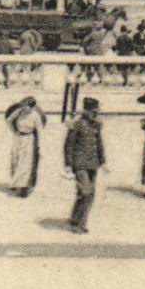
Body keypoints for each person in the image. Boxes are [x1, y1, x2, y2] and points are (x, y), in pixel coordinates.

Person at [63, 97, 106, 234]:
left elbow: (99, 144)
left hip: (93, 164)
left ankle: (75, 219)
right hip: (80, 163)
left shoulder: (96, 125)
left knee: (89, 194)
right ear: (86, 111)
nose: (96, 114)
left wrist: (103, 161)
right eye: (93, 111)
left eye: (97, 111)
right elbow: (69, 145)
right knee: (86, 192)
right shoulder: (77, 124)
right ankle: (80, 224)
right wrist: (68, 164)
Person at [6, 95, 46, 197]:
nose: (23, 108)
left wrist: (40, 146)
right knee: (15, 160)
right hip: (18, 138)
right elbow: (9, 120)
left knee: (25, 163)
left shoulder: (35, 116)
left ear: (31, 107)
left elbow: (40, 131)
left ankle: (23, 187)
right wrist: (14, 131)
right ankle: (15, 182)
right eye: (22, 105)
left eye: (26, 106)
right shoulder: (19, 112)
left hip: (28, 139)